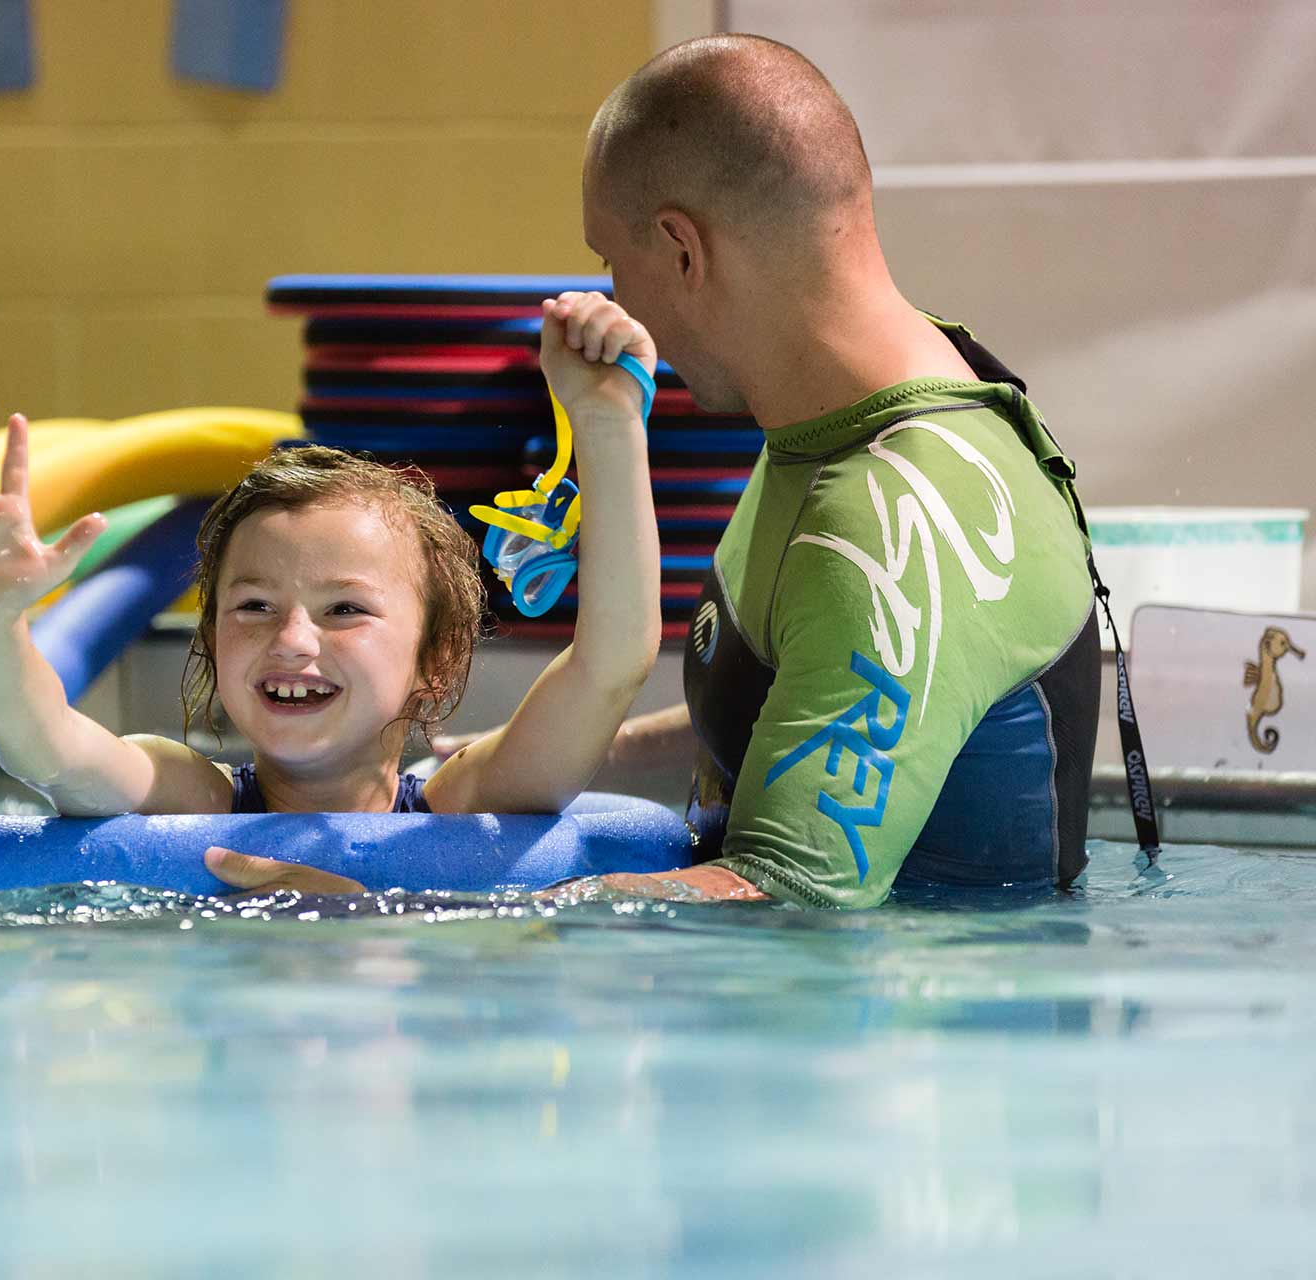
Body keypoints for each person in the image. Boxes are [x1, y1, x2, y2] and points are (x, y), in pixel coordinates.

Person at [221, 33, 1103, 907]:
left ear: (682, 250)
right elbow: (838, 693)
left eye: (612, 260)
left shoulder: (894, 517)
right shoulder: (846, 420)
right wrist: (512, 758)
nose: (612, 294)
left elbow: (784, 898)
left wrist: (388, 906)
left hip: (917, 1029)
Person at [0, 292, 662, 839]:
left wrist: (607, 422)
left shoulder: (471, 802)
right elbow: (50, 751)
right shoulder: (186, 797)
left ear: (437, 658)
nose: (293, 641)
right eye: (254, 607)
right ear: (211, 638)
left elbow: (612, 662)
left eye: (344, 609)